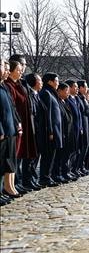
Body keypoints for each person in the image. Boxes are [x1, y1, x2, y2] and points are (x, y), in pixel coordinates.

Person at [4, 59, 37, 194]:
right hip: (15, 125)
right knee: (13, 156)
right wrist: (18, 122)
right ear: (11, 71)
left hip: (23, 124)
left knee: (18, 155)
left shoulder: (20, 84)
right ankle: (11, 185)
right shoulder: (8, 86)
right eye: (18, 69)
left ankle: (14, 184)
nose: (21, 71)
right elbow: (13, 106)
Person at [1, 59, 21, 200]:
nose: (7, 71)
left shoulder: (4, 87)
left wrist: (17, 123)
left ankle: (4, 190)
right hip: (2, 132)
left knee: (7, 163)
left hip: (10, 131)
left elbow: (12, 109)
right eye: (4, 67)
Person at [38, 73, 62, 187]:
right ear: (50, 82)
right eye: (56, 81)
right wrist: (51, 130)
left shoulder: (51, 93)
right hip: (50, 130)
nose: (58, 83)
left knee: (52, 154)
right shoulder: (46, 93)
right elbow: (47, 114)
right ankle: (44, 177)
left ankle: (48, 176)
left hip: (56, 129)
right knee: (47, 155)